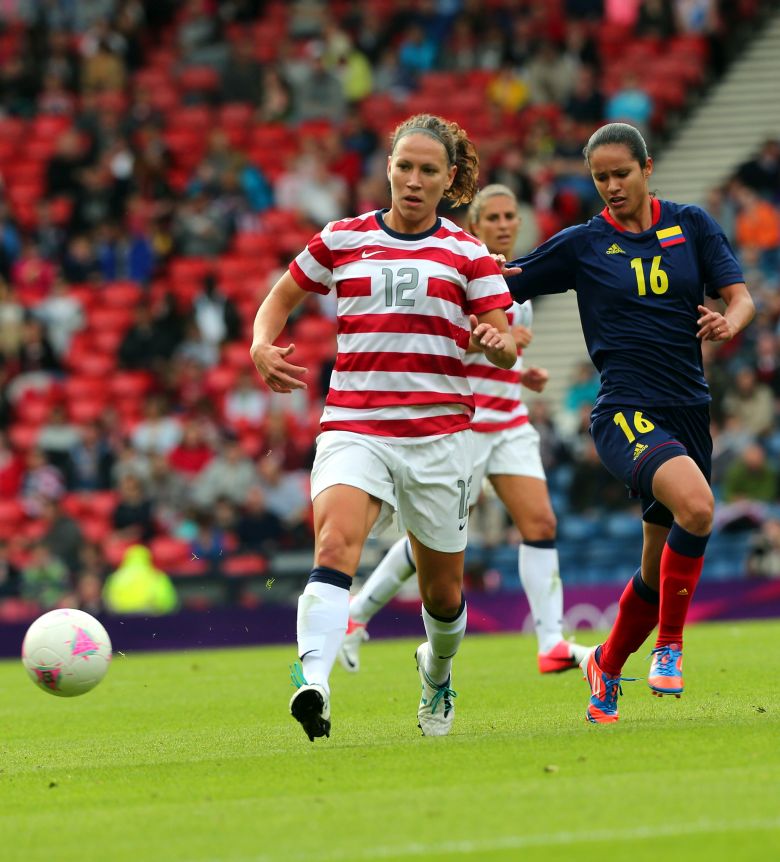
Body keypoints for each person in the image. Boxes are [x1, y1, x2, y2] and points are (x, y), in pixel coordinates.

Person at [250, 113, 516, 741]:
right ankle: (312, 681)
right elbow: (281, 297)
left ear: (450, 178)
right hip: (355, 426)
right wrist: (262, 344)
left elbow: (505, 341)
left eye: (428, 170)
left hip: (439, 440)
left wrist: (494, 341)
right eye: (404, 167)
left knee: (443, 598)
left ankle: (437, 672)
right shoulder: (342, 239)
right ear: (388, 168)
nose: (414, 180)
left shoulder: (469, 254)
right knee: (334, 547)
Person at [502, 122, 755, 723]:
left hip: (689, 411)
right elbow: (512, 279)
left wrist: (730, 323)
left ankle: (606, 668)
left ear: (647, 170)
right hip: (625, 412)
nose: (611, 186)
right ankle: (669, 646)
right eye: (600, 178)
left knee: (655, 568)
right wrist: (462, 267)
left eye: (621, 174)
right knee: (697, 508)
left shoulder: (691, 225)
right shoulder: (585, 244)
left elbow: (740, 297)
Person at [338, 184, 590, 676]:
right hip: (467, 426)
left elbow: (504, 351)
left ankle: (551, 643)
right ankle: (356, 615)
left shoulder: (516, 282)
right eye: (491, 216)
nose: (501, 223)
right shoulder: (462, 272)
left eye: (509, 215)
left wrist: (523, 371)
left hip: (510, 420)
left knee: (540, 523)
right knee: (431, 544)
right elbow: (444, 346)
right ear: (475, 225)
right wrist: (493, 348)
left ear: (520, 223)